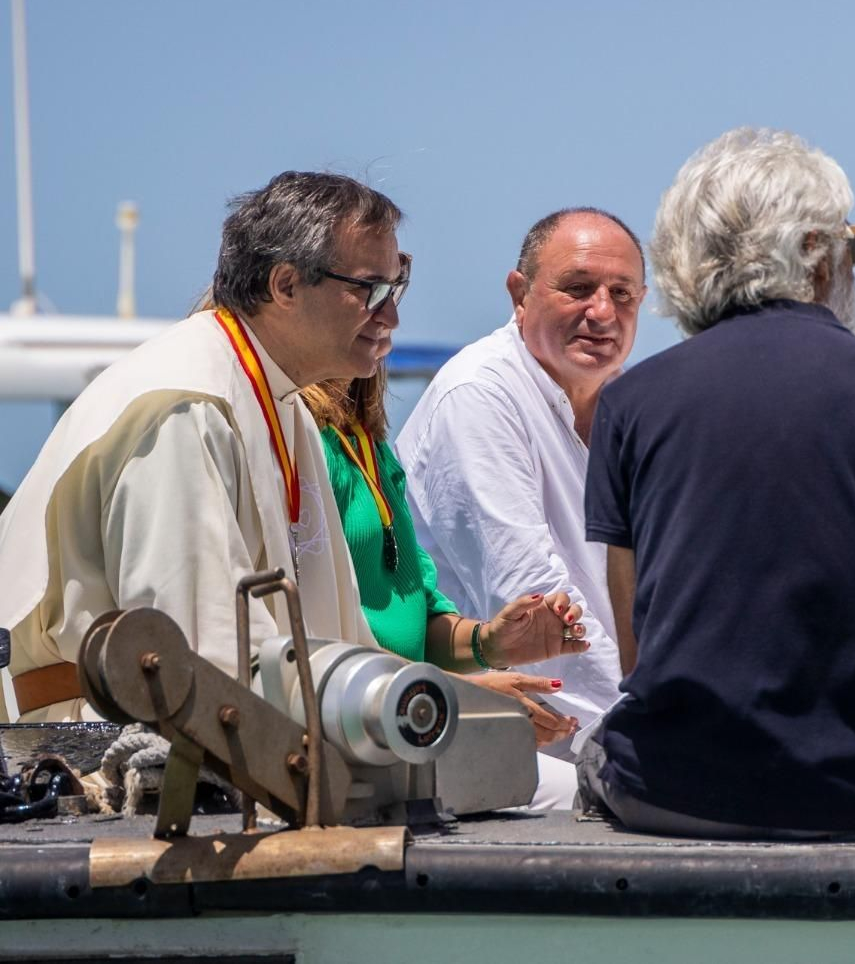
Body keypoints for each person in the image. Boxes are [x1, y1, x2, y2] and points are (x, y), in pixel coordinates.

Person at [0, 171, 568, 723]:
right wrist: (455, 701)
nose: (391, 314)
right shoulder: (188, 408)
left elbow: (323, 644)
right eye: (371, 290)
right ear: (286, 285)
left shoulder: (274, 400)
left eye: (397, 287)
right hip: (93, 748)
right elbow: (203, 662)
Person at [579, 127, 855, 837]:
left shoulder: (631, 403)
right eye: (850, 246)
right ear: (816, 258)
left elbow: (638, 645)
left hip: (680, 788)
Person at [396, 207, 645, 752]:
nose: (601, 312)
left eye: (622, 294)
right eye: (578, 288)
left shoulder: (632, 409)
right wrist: (658, 728)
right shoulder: (480, 394)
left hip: (599, 726)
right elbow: (536, 602)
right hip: (487, 734)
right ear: (519, 293)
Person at [301, 361, 586, 755]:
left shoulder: (368, 442)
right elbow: (308, 640)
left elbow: (420, 620)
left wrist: (491, 643)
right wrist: (463, 690)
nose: (388, 315)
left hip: (403, 721)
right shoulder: (298, 441)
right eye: (368, 295)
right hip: (350, 734)